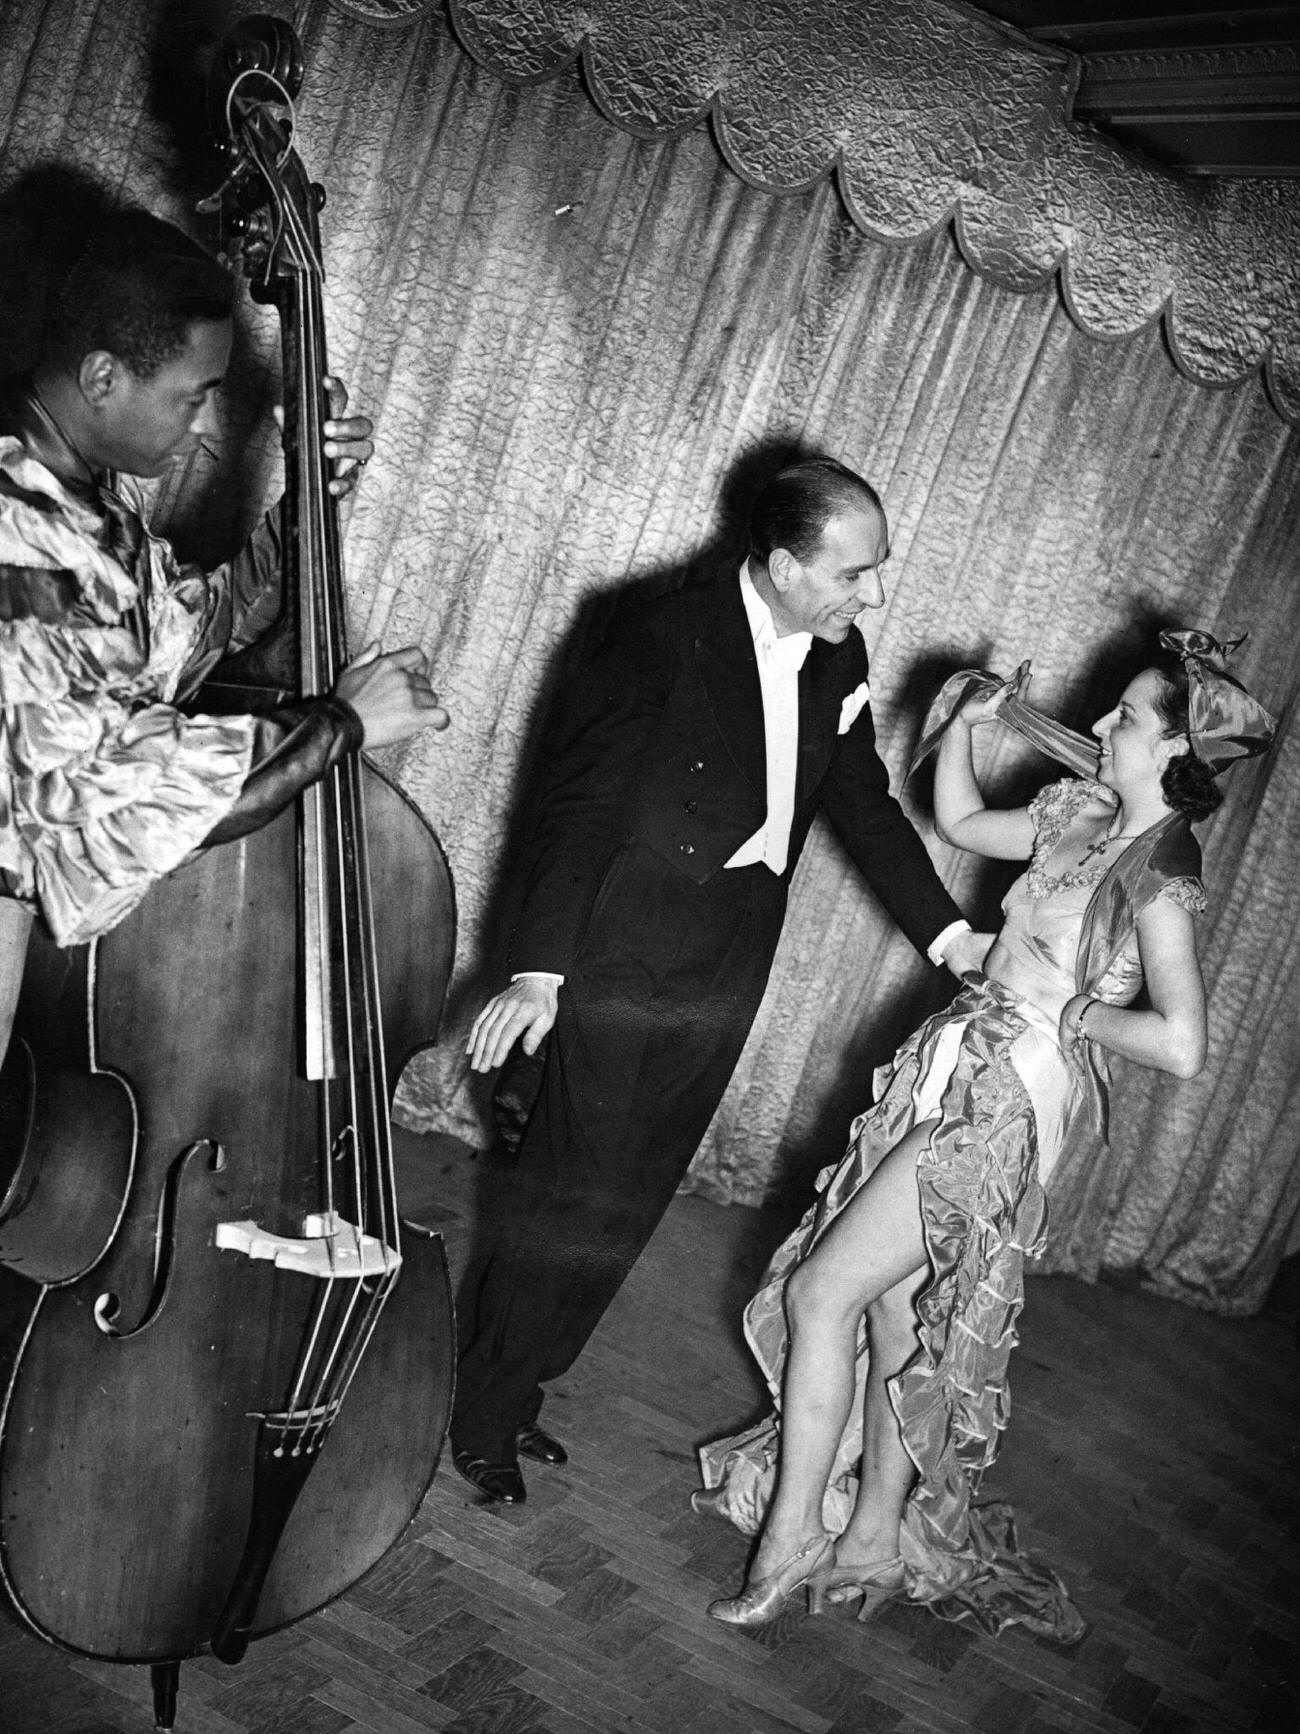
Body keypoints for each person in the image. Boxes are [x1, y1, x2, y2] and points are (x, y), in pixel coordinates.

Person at [693, 630, 1275, 1643]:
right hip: (950, 1069)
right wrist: (962, 728)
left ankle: (789, 1539)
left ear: (1175, 750)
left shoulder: (1160, 877)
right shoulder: (1081, 814)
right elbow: (956, 816)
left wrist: (1065, 1013)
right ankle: (871, 1535)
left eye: (1126, 719)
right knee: (891, 1318)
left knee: (821, 1291)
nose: (1098, 726)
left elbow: (1181, 1045)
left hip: (1004, 1103)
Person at [451, 456, 992, 1503]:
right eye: (855, 571)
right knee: (572, 1183)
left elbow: (864, 809)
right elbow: (576, 806)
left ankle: (518, 1388)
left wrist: (950, 937)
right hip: (619, 943)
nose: (871, 592)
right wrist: (537, 971)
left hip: (730, 948)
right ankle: (482, 1406)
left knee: (636, 1185)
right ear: (786, 565)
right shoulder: (650, 630)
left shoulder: (837, 653)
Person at [0, 206, 448, 1062]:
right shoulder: (15, 529)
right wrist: (337, 726)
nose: (208, 429)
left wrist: (306, 508)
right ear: (102, 379)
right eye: (195, 397)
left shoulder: (82, 499)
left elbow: (192, 632)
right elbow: (113, 783)